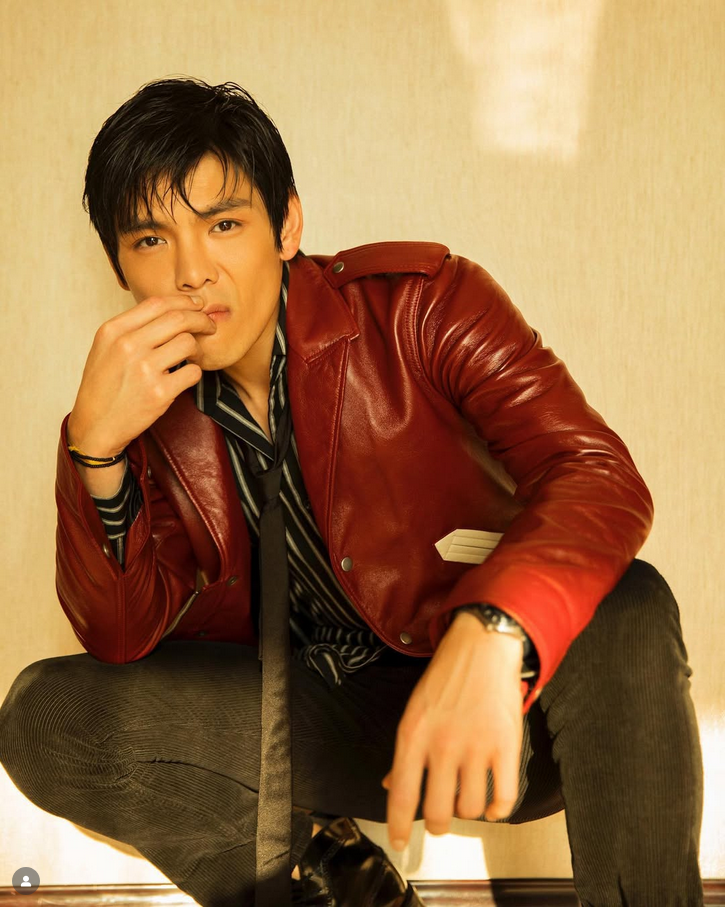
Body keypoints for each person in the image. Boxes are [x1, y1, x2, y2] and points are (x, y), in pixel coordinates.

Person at [0, 77, 705, 907]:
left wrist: (492, 628)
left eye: (223, 224)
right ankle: (347, 889)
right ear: (121, 266)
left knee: (629, 600)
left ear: (286, 225)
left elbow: (595, 472)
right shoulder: (140, 409)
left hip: (505, 705)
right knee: (47, 714)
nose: (191, 272)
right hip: (323, 719)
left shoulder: (421, 306)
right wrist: (94, 448)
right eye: (152, 239)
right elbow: (121, 636)